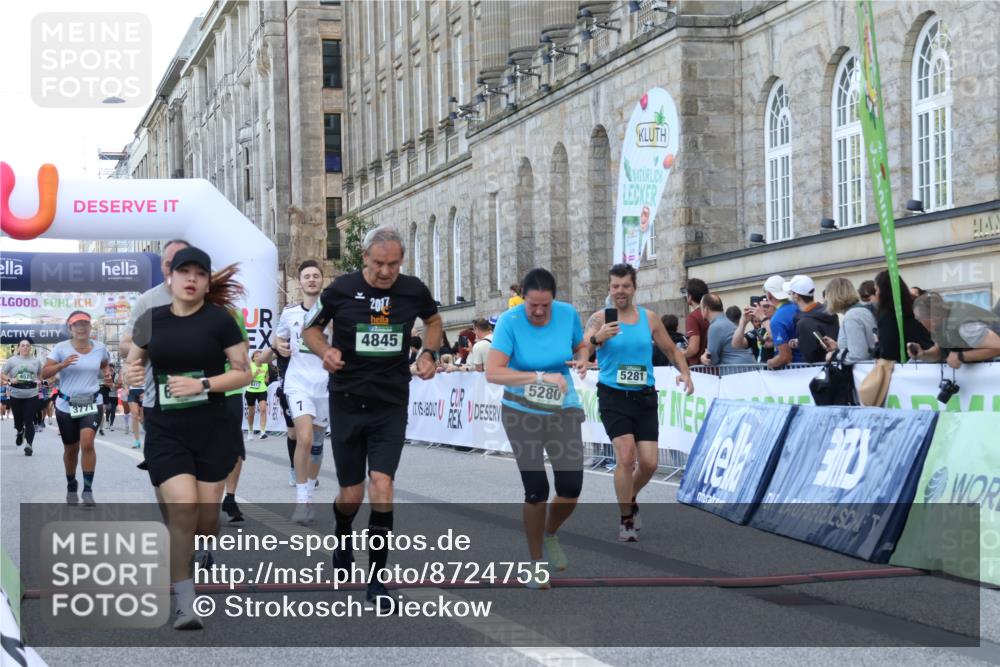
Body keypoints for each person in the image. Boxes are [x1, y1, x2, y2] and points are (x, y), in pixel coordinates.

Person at [302, 225, 443, 611]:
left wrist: (428, 353)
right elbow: (310, 329)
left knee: (382, 485)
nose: (386, 272)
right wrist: (324, 351)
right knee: (352, 493)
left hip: (390, 403)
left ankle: (377, 580)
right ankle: (343, 529)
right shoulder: (341, 290)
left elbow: (433, 322)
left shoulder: (413, 289)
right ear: (365, 257)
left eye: (393, 264)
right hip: (347, 401)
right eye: (379, 263)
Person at [124, 246, 251, 630]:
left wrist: (203, 384)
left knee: (206, 520)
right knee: (183, 508)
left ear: (207, 280)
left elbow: (242, 372)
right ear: (171, 278)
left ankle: (192, 551)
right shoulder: (150, 319)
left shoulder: (221, 320)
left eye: (199, 273)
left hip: (211, 427)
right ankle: (185, 601)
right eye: (184, 272)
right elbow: (134, 358)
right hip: (166, 429)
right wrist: (131, 373)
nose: (191, 279)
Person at [486, 268, 590, 589]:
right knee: (536, 490)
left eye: (545, 305)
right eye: (533, 305)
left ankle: (550, 533)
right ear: (524, 298)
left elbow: (580, 345)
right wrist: (539, 378)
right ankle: (535, 564)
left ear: (554, 299)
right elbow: (494, 372)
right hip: (521, 412)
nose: (540, 312)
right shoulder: (510, 322)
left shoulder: (568, 314)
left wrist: (584, 357)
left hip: (562, 409)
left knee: (571, 487)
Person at [584, 264, 693, 542]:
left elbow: (671, 349)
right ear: (609, 288)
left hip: (644, 396)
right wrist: (598, 339)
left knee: (649, 463)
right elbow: (583, 346)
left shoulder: (649, 318)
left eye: (625, 286)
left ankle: (628, 496)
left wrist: (685, 372)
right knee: (626, 456)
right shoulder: (600, 318)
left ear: (634, 288)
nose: (620, 291)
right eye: (615, 286)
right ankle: (626, 519)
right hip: (613, 395)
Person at [120, 239, 192, 451]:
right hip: (159, 400)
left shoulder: (210, 299)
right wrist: (150, 344)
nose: (175, 269)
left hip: (202, 401)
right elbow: (125, 346)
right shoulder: (148, 301)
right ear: (162, 266)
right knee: (165, 473)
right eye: (170, 263)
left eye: (182, 263)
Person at [275, 259, 332, 524]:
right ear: (300, 282)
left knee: (317, 446)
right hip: (298, 383)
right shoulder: (289, 313)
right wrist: (279, 345)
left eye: (316, 276)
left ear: (322, 281)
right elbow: (278, 337)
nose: (311, 279)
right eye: (307, 276)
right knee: (304, 438)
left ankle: (309, 488)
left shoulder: (334, 313)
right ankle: (302, 502)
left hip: (325, 385)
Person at [41, 312, 111, 506]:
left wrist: (107, 375)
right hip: (66, 404)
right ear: (70, 328)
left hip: (91, 401)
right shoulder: (60, 348)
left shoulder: (100, 348)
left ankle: (88, 490)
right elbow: (44, 373)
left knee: (87, 444)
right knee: (71, 450)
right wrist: (62, 365)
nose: (81, 327)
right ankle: (71, 483)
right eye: (77, 324)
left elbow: (105, 364)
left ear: (90, 327)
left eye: (85, 324)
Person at [912, 292, 1000, 367]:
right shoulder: (941, 320)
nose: (919, 322)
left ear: (933, 318)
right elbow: (940, 351)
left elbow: (997, 348)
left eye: (920, 319)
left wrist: (961, 356)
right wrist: (923, 354)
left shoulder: (966, 328)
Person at [870, 270, 935, 362]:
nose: (876, 293)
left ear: (884, 290)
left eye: (877, 290)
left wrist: (877, 345)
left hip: (907, 367)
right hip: (928, 361)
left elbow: (888, 353)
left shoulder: (888, 315)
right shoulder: (910, 308)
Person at [820, 277, 877, 363]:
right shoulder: (860, 311)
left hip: (863, 373)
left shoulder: (852, 316)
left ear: (834, 297)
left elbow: (858, 356)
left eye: (827, 296)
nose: (825, 300)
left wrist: (834, 355)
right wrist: (837, 347)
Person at [787, 275, 839, 364]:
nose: (790, 296)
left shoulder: (803, 322)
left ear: (796, 296)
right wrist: (802, 342)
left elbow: (810, 356)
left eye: (791, 293)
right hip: (836, 365)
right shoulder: (829, 311)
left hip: (819, 372)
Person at [3, 339, 42, 455]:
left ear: (30, 348)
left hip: (31, 394)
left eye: (27, 346)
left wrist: (39, 381)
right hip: (16, 395)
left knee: (29, 420)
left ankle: (29, 445)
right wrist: (10, 379)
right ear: (18, 347)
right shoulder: (11, 361)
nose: (25, 347)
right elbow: (2, 374)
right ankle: (20, 431)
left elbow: (41, 376)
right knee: (18, 421)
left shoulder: (37, 362)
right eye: (23, 345)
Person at [699, 293, 757, 368]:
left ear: (706, 309)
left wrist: (703, 358)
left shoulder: (715, 327)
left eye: (701, 308)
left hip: (736, 371)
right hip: (748, 366)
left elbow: (712, 360)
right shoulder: (727, 321)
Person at [765, 275, 800, 369]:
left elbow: (785, 357)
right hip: (810, 367)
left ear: (769, 295)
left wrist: (770, 362)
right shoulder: (798, 306)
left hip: (794, 372)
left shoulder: (777, 319)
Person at [683, 278, 710, 365]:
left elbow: (693, 349)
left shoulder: (693, 317)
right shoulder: (712, 313)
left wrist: (679, 354)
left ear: (690, 296)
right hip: (715, 368)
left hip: (700, 370)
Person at [244, 351, 270, 439]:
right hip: (250, 391)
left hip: (262, 390)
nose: (259, 357)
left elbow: (267, 374)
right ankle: (250, 431)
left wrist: (266, 378)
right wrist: (255, 374)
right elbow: (247, 379)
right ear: (253, 358)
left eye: (260, 356)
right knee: (252, 413)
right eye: (257, 356)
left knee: (263, 409)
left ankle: (263, 432)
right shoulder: (250, 365)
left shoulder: (265, 365)